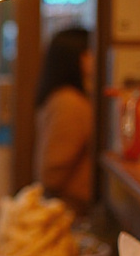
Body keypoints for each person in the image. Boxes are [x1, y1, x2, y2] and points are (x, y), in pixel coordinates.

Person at [33, 26, 94, 215]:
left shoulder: (64, 97)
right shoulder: (69, 102)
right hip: (69, 209)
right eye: (90, 52)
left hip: (68, 206)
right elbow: (52, 169)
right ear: (79, 58)